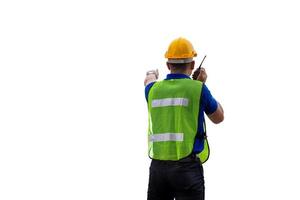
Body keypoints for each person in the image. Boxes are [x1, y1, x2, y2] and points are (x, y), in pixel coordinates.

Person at [144, 37, 224, 200]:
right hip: (187, 170)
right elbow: (219, 117)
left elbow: (148, 80)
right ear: (193, 65)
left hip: (158, 170)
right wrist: (201, 84)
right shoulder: (198, 89)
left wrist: (152, 73)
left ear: (168, 65)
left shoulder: (152, 91)